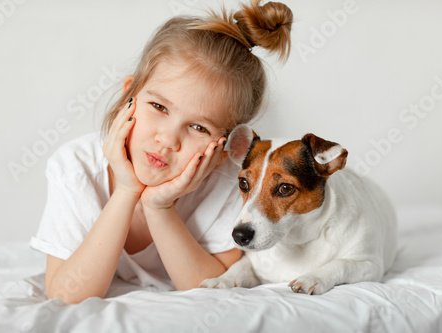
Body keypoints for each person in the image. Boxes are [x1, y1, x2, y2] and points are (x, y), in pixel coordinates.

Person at [29, 0, 293, 304]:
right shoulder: (75, 168)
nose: (168, 140)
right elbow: (67, 295)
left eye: (198, 128)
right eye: (159, 107)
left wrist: (160, 208)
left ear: (223, 150)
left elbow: (212, 291)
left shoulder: (230, 186)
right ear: (130, 95)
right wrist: (127, 191)